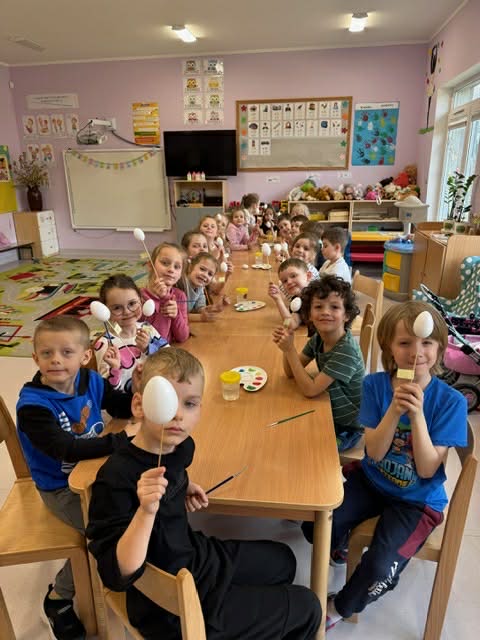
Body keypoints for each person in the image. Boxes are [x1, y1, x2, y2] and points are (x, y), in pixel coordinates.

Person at [86, 347, 321, 640]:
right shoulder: (115, 478)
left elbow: (174, 471)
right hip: (169, 608)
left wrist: (183, 486)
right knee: (308, 608)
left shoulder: (180, 447)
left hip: (196, 558)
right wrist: (146, 512)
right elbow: (116, 573)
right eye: (168, 402)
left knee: (284, 560)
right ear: (139, 405)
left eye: (189, 404)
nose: (178, 416)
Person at [311, 300, 467, 632]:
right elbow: (375, 453)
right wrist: (394, 411)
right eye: (405, 343)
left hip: (417, 501)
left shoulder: (451, 402)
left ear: (440, 348)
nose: (416, 352)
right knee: (317, 526)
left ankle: (340, 606)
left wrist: (417, 416)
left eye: (427, 342)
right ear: (389, 348)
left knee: (380, 569)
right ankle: (341, 546)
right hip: (373, 479)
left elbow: (427, 470)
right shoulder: (375, 386)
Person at [16, 316, 138, 640]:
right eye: (47, 353)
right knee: (106, 532)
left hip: (92, 472)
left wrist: (138, 397)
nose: (56, 360)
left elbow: (118, 405)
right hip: (59, 489)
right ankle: (59, 597)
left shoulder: (89, 380)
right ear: (35, 358)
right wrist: (120, 441)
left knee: (136, 506)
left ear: (85, 356)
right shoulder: (33, 406)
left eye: (66, 352)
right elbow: (65, 448)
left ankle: (133, 566)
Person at [272, 276, 364, 451]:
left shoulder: (346, 350)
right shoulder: (319, 338)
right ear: (309, 315)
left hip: (346, 426)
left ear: (346, 315)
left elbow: (310, 390)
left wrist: (290, 350)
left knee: (309, 450)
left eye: (334, 307)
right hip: (326, 408)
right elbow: (290, 372)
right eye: (318, 307)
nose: (325, 312)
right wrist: (287, 344)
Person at [94, 274, 168, 392]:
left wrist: (148, 348)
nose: (127, 312)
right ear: (106, 311)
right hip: (127, 400)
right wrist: (115, 368)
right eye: (117, 308)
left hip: (156, 391)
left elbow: (170, 358)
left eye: (132, 303)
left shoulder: (147, 328)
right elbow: (107, 391)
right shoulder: (105, 344)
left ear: (141, 301)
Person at [141, 242, 189, 344]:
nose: (171, 269)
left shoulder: (180, 296)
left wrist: (176, 315)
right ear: (150, 265)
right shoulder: (139, 297)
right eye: (165, 263)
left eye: (177, 267)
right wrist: (164, 299)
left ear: (181, 274)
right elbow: (156, 339)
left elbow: (183, 337)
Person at [177, 252, 224, 322]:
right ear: (191, 267)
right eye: (202, 269)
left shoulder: (200, 287)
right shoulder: (181, 284)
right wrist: (199, 317)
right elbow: (176, 315)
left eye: (210, 274)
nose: (205, 275)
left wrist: (210, 309)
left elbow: (200, 307)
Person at [268, 257, 312, 328]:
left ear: (308, 276)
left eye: (293, 276)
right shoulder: (297, 301)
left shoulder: (319, 296)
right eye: (284, 281)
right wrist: (278, 299)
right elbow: (289, 324)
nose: (289, 282)